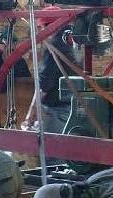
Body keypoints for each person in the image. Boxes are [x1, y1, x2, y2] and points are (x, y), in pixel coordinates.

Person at [24, 5, 78, 134]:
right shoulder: (72, 43)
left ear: (50, 26)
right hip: (72, 107)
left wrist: (31, 113)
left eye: (42, 28)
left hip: (58, 111)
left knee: (47, 144)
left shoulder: (55, 48)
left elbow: (44, 84)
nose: (42, 32)